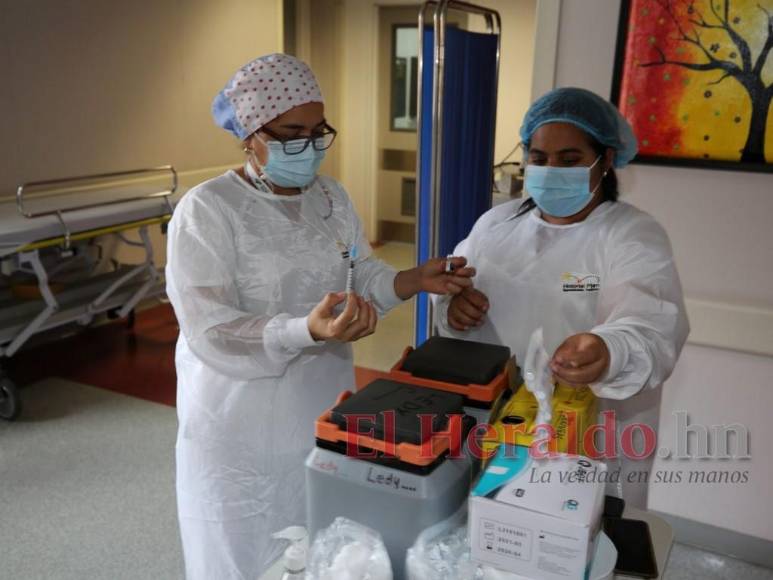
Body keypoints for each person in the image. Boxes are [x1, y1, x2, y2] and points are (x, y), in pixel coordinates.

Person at [165, 53, 475, 579]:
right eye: (290, 132)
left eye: (317, 131)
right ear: (249, 134)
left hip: (319, 408)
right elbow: (210, 329)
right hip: (237, 425)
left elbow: (362, 274)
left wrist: (413, 280)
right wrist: (303, 330)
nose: (307, 147)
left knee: (319, 542)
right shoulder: (207, 210)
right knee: (239, 554)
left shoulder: (330, 197)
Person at [434, 87, 689, 509]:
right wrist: (452, 308)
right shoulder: (495, 224)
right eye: (539, 158)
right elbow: (452, 289)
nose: (551, 171)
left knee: (570, 542)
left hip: (586, 430)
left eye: (569, 160)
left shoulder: (631, 236)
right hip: (499, 419)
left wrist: (608, 349)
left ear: (605, 161)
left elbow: (651, 325)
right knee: (492, 526)